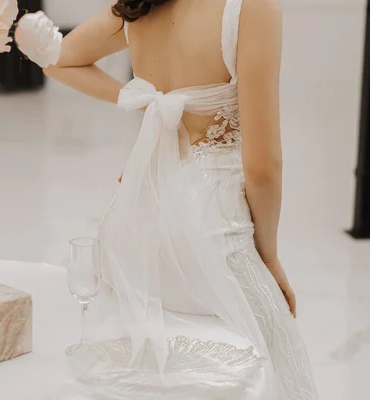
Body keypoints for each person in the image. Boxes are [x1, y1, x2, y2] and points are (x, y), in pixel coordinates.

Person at [44, 0, 318, 399]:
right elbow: (263, 167)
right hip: (208, 239)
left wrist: (138, 97)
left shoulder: (139, 4)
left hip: (131, 236)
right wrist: (269, 258)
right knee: (274, 358)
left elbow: (56, 58)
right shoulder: (252, 6)